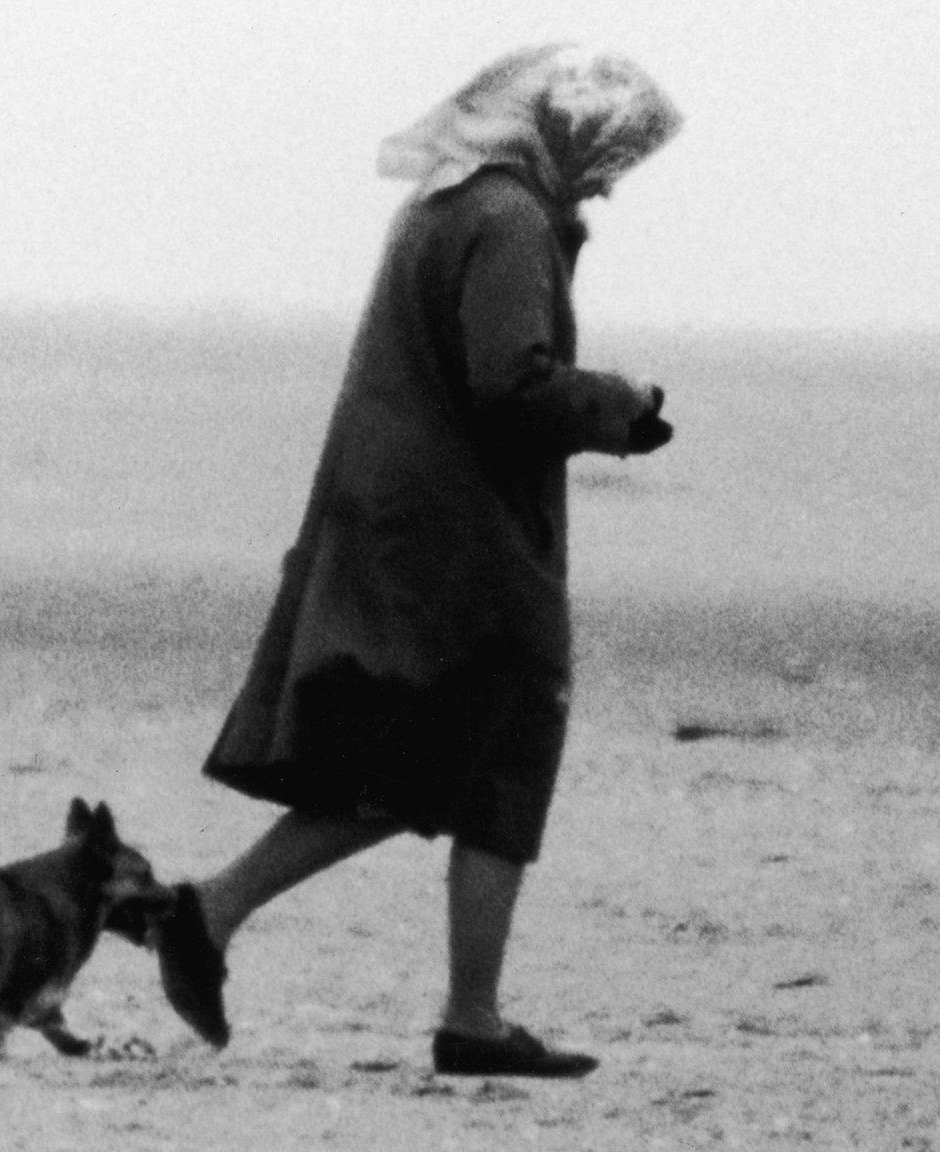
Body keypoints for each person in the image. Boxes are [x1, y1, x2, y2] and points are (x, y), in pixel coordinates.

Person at [152, 44, 683, 1078]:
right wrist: (620, 407)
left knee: (455, 758)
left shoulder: (452, 202)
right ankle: (429, 1002)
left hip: (408, 518)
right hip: (461, 535)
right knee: (491, 744)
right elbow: (508, 384)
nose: (614, 179)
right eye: (612, 152)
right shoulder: (512, 219)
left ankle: (448, 1009)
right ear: (568, 132)